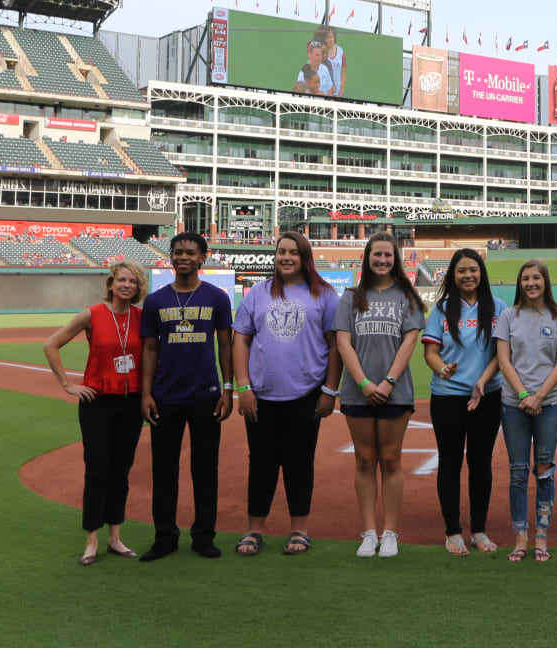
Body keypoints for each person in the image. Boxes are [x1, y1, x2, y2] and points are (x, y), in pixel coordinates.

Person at [231, 232, 341, 557]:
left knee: (299, 463)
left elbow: (336, 346)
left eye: (294, 252)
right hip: (261, 394)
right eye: (281, 252)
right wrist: (243, 387)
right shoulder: (258, 293)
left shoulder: (324, 295)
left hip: (306, 393)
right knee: (261, 463)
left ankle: (299, 529)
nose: (286, 257)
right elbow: (241, 340)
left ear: (304, 257)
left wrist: (330, 391)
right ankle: (254, 529)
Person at [42, 260, 149, 565]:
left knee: (121, 470)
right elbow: (51, 345)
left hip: (130, 402)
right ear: (111, 284)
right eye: (122, 280)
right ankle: (92, 540)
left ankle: (115, 537)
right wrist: (67, 384)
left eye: (133, 281)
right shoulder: (92, 315)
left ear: (138, 287)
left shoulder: (142, 318)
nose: (127, 285)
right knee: (98, 470)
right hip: (98, 402)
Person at [139, 232, 234, 561]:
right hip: (166, 396)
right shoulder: (156, 301)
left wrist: (228, 388)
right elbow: (150, 349)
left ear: (202, 257)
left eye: (190, 252)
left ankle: (204, 536)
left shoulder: (217, 298)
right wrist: (146, 393)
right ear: (171, 257)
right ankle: (165, 537)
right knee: (163, 471)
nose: (183, 257)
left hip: (206, 395)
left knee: (205, 470)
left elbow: (225, 345)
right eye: (177, 252)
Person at [331, 232, 427, 558]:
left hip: (395, 392)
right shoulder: (351, 297)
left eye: (388, 255)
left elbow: (409, 343)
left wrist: (386, 382)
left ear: (395, 259)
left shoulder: (406, 297)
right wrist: (363, 384)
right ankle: (369, 532)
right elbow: (343, 343)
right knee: (363, 461)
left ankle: (390, 533)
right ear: (367, 258)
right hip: (357, 392)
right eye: (377, 255)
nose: (383, 260)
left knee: (390, 460)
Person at [422, 248, 505, 556]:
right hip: (447, 398)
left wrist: (483, 381)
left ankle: (479, 530)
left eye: (473, 269)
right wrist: (441, 368)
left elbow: (501, 354)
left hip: (487, 395)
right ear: (452, 276)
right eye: (461, 271)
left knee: (481, 463)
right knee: (450, 462)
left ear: (481, 273)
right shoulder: (442, 309)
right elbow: (430, 352)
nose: (468, 275)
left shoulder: (497, 306)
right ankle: (453, 531)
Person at [495, 260, 557, 563]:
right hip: (514, 403)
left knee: (544, 470)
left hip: (549, 403)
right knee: (518, 472)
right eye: (526, 278)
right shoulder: (507, 316)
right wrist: (524, 395)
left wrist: (539, 396)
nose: (531, 283)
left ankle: (541, 537)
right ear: (520, 283)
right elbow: (504, 361)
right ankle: (520, 537)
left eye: (536, 278)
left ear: (545, 281)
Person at [319, 25, 347, 95]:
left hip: (338, 93)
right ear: (324, 39)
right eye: (328, 37)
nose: (331, 40)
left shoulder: (341, 51)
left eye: (332, 36)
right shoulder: (321, 52)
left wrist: (340, 93)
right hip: (325, 94)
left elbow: (343, 74)